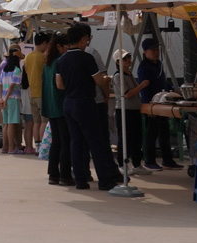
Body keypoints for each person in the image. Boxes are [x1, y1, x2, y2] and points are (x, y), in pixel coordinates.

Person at [55, 23, 121, 191]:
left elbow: (59, 85)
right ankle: (105, 180)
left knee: (76, 142)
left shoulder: (61, 60)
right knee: (95, 142)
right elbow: (99, 81)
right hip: (85, 102)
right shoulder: (87, 58)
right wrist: (105, 84)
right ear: (83, 39)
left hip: (69, 102)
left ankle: (80, 180)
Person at [130, 37, 177, 170]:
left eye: (157, 49)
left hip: (162, 104)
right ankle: (150, 160)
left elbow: (162, 82)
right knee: (152, 134)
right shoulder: (144, 67)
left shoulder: (159, 64)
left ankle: (167, 160)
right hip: (152, 106)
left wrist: (172, 89)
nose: (156, 52)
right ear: (145, 52)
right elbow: (144, 88)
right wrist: (149, 107)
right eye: (153, 50)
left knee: (164, 133)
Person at [111, 51, 148, 173]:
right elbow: (126, 94)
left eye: (129, 57)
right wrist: (141, 86)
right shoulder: (118, 76)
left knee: (136, 137)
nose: (128, 60)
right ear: (117, 62)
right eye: (124, 58)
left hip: (134, 109)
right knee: (124, 138)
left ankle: (137, 164)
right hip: (124, 110)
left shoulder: (129, 74)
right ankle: (122, 164)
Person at [43, 34, 71, 185]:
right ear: (59, 46)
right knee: (65, 142)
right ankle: (65, 175)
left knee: (56, 142)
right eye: (66, 46)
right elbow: (61, 85)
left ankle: (53, 174)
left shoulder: (47, 63)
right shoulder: (60, 62)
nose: (68, 49)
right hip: (61, 105)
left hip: (50, 106)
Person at [23, 32, 48, 151]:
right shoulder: (43, 57)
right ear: (44, 43)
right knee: (44, 121)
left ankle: (37, 147)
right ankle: (44, 148)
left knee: (36, 121)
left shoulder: (27, 57)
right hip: (42, 93)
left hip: (31, 92)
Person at [0, 52, 24, 153]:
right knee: (11, 124)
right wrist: (6, 99)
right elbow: (12, 86)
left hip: (4, 99)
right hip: (13, 99)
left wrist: (1, 99)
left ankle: (5, 147)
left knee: (6, 124)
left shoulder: (4, 70)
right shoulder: (17, 70)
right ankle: (12, 148)